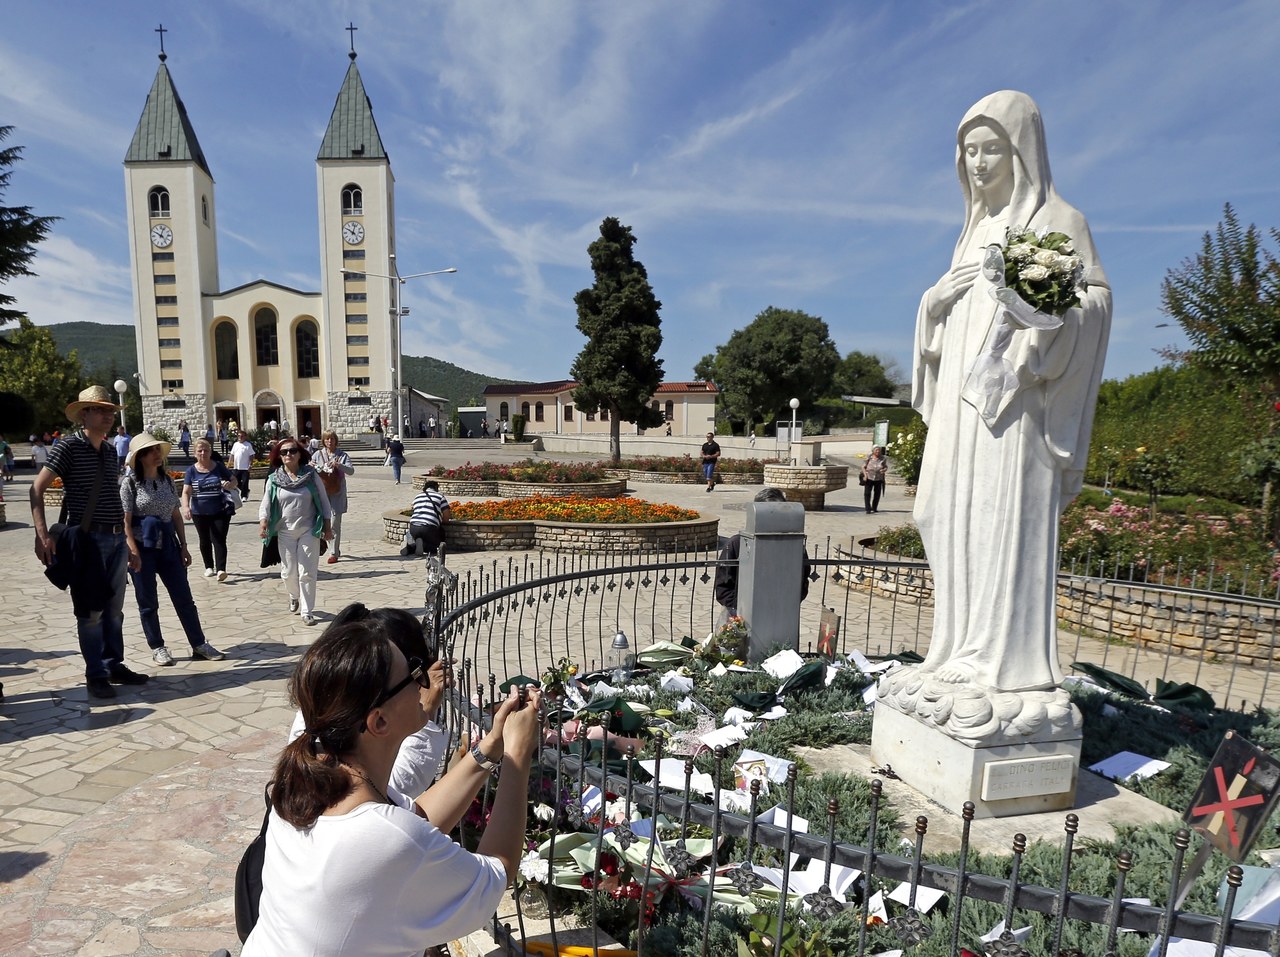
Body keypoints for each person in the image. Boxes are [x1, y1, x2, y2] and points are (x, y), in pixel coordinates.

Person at [906, 90, 1111, 694]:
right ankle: (954, 648)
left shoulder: (1060, 221)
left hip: (1016, 410)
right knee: (938, 512)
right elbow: (947, 325)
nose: (977, 162)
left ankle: (1000, 665)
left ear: (1021, 150)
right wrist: (931, 304)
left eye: (991, 148)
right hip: (959, 412)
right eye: (968, 150)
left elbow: (1094, 301)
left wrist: (1050, 315)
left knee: (1000, 523)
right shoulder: (970, 233)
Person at [240, 622, 541, 955]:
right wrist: (517, 755)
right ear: (378, 721)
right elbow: (497, 872)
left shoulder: (309, 771)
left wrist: (487, 751)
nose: (423, 682)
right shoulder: (382, 836)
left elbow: (417, 817)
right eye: (412, 676)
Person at [29, 385, 149, 700]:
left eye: (111, 411)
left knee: (115, 611)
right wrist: (42, 534)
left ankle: (113, 665)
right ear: (85, 414)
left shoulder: (110, 451)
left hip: (115, 539)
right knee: (91, 612)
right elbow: (36, 488)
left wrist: (129, 543)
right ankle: (95, 674)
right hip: (87, 542)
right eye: (101, 410)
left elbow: (113, 498)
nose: (109, 416)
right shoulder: (67, 447)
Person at [287, 604, 451, 796]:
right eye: (414, 673)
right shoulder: (359, 800)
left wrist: (483, 754)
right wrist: (427, 712)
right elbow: (394, 792)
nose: (422, 685)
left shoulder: (332, 704)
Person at [122, 433, 225, 666]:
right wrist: (133, 551)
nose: (158, 454)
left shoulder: (167, 480)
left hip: (169, 545)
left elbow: (176, 514)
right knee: (148, 601)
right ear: (140, 457)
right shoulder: (129, 484)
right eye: (152, 451)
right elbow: (125, 522)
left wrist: (184, 546)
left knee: (184, 597)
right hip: (143, 548)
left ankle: (198, 644)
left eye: (158, 450)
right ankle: (157, 646)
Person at [258, 438, 333, 626]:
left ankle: (307, 611)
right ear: (279, 456)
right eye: (284, 452)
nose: (288, 455)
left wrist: (327, 526)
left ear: (300, 454)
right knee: (289, 572)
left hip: (310, 529)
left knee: (307, 571)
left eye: (292, 451)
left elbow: (324, 501)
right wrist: (263, 522)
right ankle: (293, 596)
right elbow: (266, 503)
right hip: (285, 531)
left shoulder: (311, 475)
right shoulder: (274, 479)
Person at [714, 487, 810, 620]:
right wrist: (740, 609)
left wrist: (785, 605)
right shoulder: (737, 544)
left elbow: (802, 581)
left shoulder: (794, 546)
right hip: (740, 617)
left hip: (781, 615)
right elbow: (723, 586)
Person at [182, 437, 237, 582]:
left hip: (220, 510)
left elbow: (234, 480)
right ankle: (208, 566)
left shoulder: (218, 466)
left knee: (219, 538)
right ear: (195, 453)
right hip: (199, 512)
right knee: (204, 539)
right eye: (199, 451)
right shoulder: (191, 471)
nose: (203, 453)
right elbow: (186, 492)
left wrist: (230, 485)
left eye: (206, 450)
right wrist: (186, 507)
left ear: (210, 452)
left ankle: (221, 569)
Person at [312, 430, 355, 564]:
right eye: (327, 439)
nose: (329, 441)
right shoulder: (317, 455)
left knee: (335, 523)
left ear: (336, 440)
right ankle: (332, 546)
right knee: (325, 522)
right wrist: (311, 466)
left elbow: (351, 471)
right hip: (322, 493)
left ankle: (333, 552)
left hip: (337, 492)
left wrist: (339, 465)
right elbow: (308, 470)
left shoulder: (342, 455)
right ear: (323, 441)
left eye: (332, 439)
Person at [402, 480, 451, 558]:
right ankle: (421, 545)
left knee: (417, 537)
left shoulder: (418, 496)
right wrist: (442, 520)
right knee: (437, 547)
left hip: (413, 526)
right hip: (429, 527)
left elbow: (413, 509)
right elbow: (447, 515)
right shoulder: (440, 496)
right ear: (436, 488)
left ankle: (409, 546)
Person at [229, 430, 256, 500]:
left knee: (244, 482)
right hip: (236, 467)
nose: (240, 437)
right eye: (238, 436)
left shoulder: (248, 445)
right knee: (235, 482)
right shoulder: (235, 444)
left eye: (242, 436)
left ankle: (244, 496)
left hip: (245, 467)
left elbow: (251, 455)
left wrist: (250, 465)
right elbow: (232, 454)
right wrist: (229, 463)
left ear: (245, 437)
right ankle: (246, 490)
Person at [861, 445, 888, 513]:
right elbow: (863, 467)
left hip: (878, 478)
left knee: (877, 494)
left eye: (879, 450)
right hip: (869, 477)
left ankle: (874, 507)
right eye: (876, 450)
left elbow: (885, 467)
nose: (878, 452)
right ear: (873, 451)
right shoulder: (869, 457)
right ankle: (868, 508)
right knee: (867, 493)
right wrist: (865, 475)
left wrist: (884, 470)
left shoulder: (883, 458)